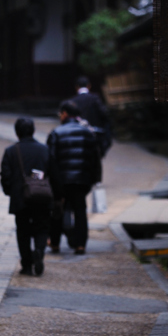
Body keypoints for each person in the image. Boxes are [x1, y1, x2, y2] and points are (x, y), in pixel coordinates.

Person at [0, 117, 58, 276]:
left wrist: (9, 191)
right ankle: (39, 251)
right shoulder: (44, 150)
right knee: (42, 227)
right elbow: (54, 173)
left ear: (17, 132)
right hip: (42, 196)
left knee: (23, 230)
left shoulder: (11, 151)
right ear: (32, 130)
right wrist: (56, 195)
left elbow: (5, 175)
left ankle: (26, 264)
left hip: (21, 197)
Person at [47, 101, 102, 255]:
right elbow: (95, 159)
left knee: (58, 210)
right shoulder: (88, 133)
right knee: (80, 210)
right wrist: (94, 179)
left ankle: (55, 243)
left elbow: (50, 159)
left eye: (60, 113)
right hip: (82, 180)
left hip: (62, 180)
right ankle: (80, 245)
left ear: (64, 113)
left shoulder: (56, 133)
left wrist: (51, 181)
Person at [70, 76, 112, 156]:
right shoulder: (95, 98)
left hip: (78, 136)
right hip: (94, 135)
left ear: (76, 87)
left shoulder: (73, 101)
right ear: (89, 86)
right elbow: (104, 114)